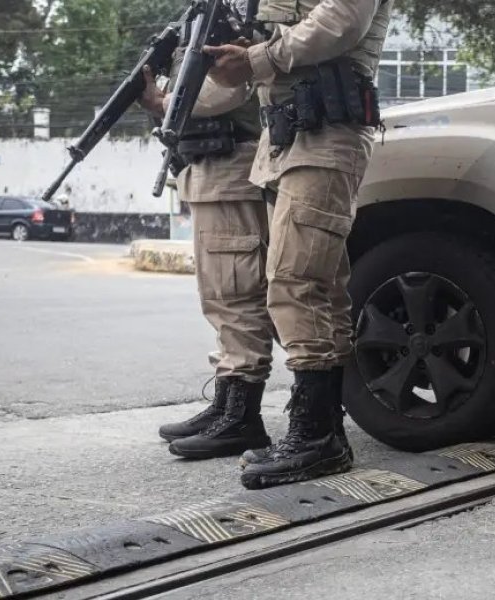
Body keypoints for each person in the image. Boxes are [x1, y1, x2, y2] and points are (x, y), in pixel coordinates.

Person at [203, 0, 393, 489]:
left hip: (328, 132)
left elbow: (340, 23)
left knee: (295, 280)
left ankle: (316, 437)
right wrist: (248, 60)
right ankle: (320, 432)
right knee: (321, 287)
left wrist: (256, 59)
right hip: (289, 134)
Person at [139, 55, 278, 461]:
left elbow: (227, 87)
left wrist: (164, 102)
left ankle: (242, 418)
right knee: (218, 296)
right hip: (208, 170)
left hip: (232, 166)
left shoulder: (233, 13)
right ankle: (226, 407)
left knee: (238, 293)